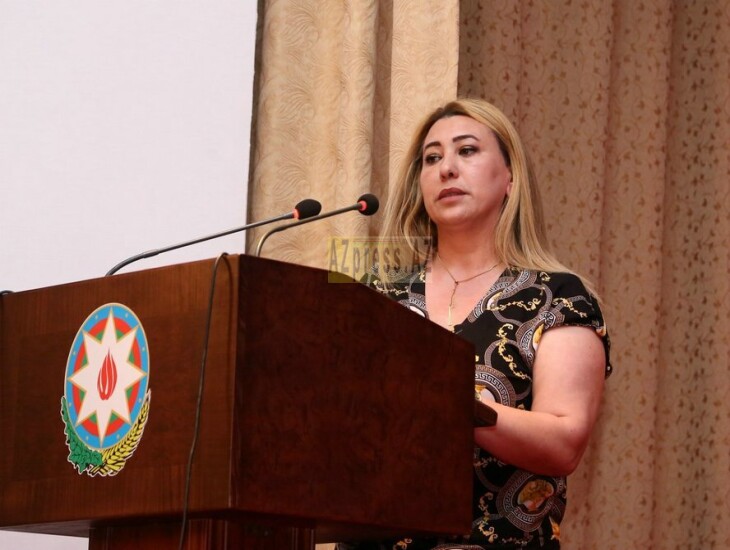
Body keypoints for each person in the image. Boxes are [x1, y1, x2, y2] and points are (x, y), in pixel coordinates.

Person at [339, 98, 611, 549]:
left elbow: (564, 443)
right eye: (432, 158)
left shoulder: (559, 297)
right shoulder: (376, 291)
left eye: (466, 151)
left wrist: (447, 403)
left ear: (509, 178)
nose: (446, 168)